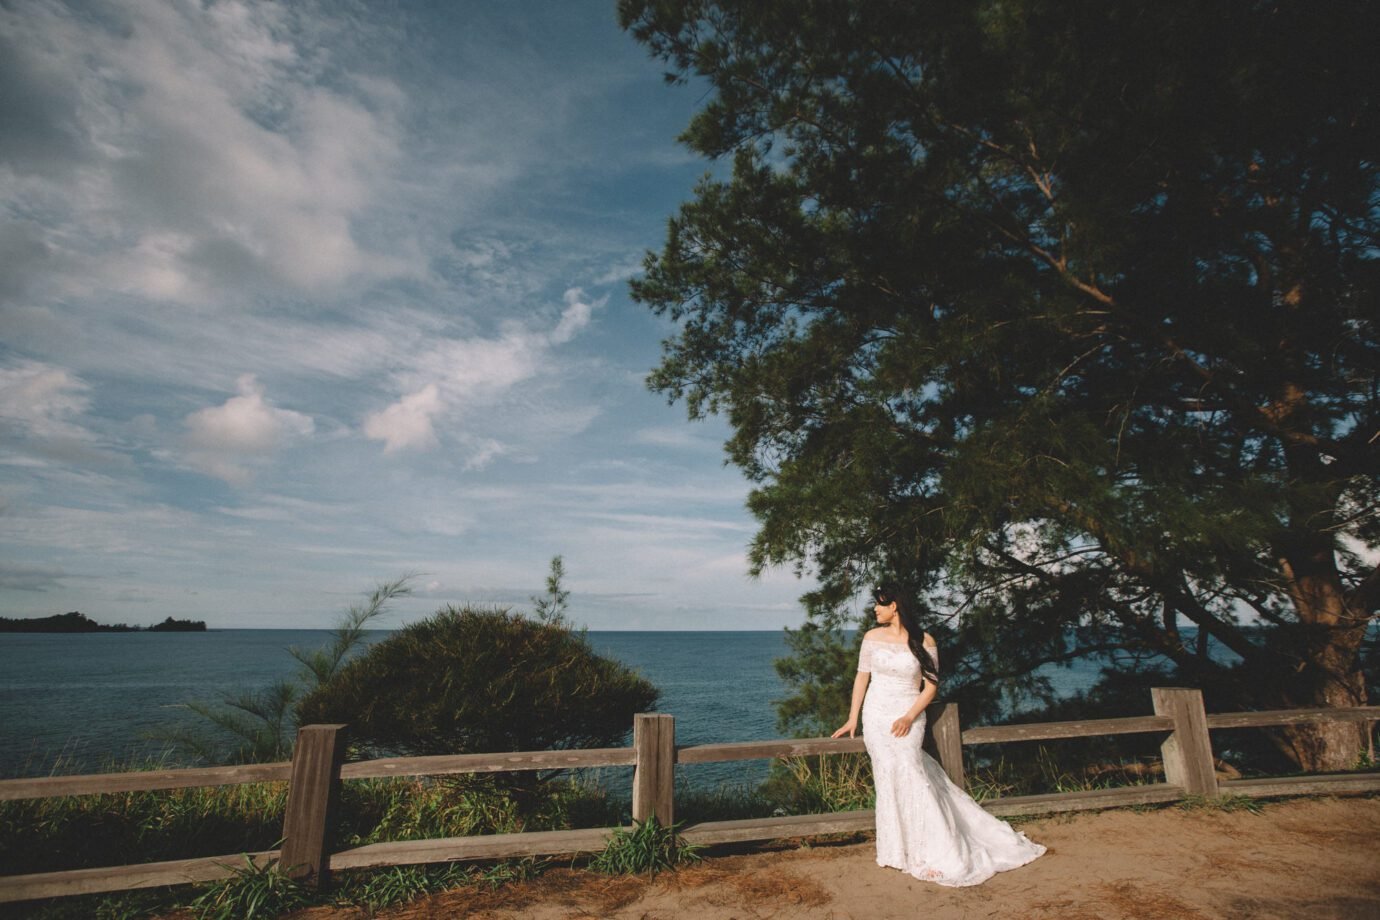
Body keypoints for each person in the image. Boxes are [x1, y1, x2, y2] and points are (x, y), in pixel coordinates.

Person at [832, 582, 1045, 886]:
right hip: (876, 717)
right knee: (887, 776)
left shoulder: (924, 640)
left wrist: (909, 715)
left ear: (895, 606)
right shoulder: (871, 638)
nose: (875, 609)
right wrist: (853, 717)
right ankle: (898, 851)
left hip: (908, 713)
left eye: (880, 603)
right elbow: (861, 678)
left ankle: (938, 849)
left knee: (912, 772)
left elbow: (931, 685)